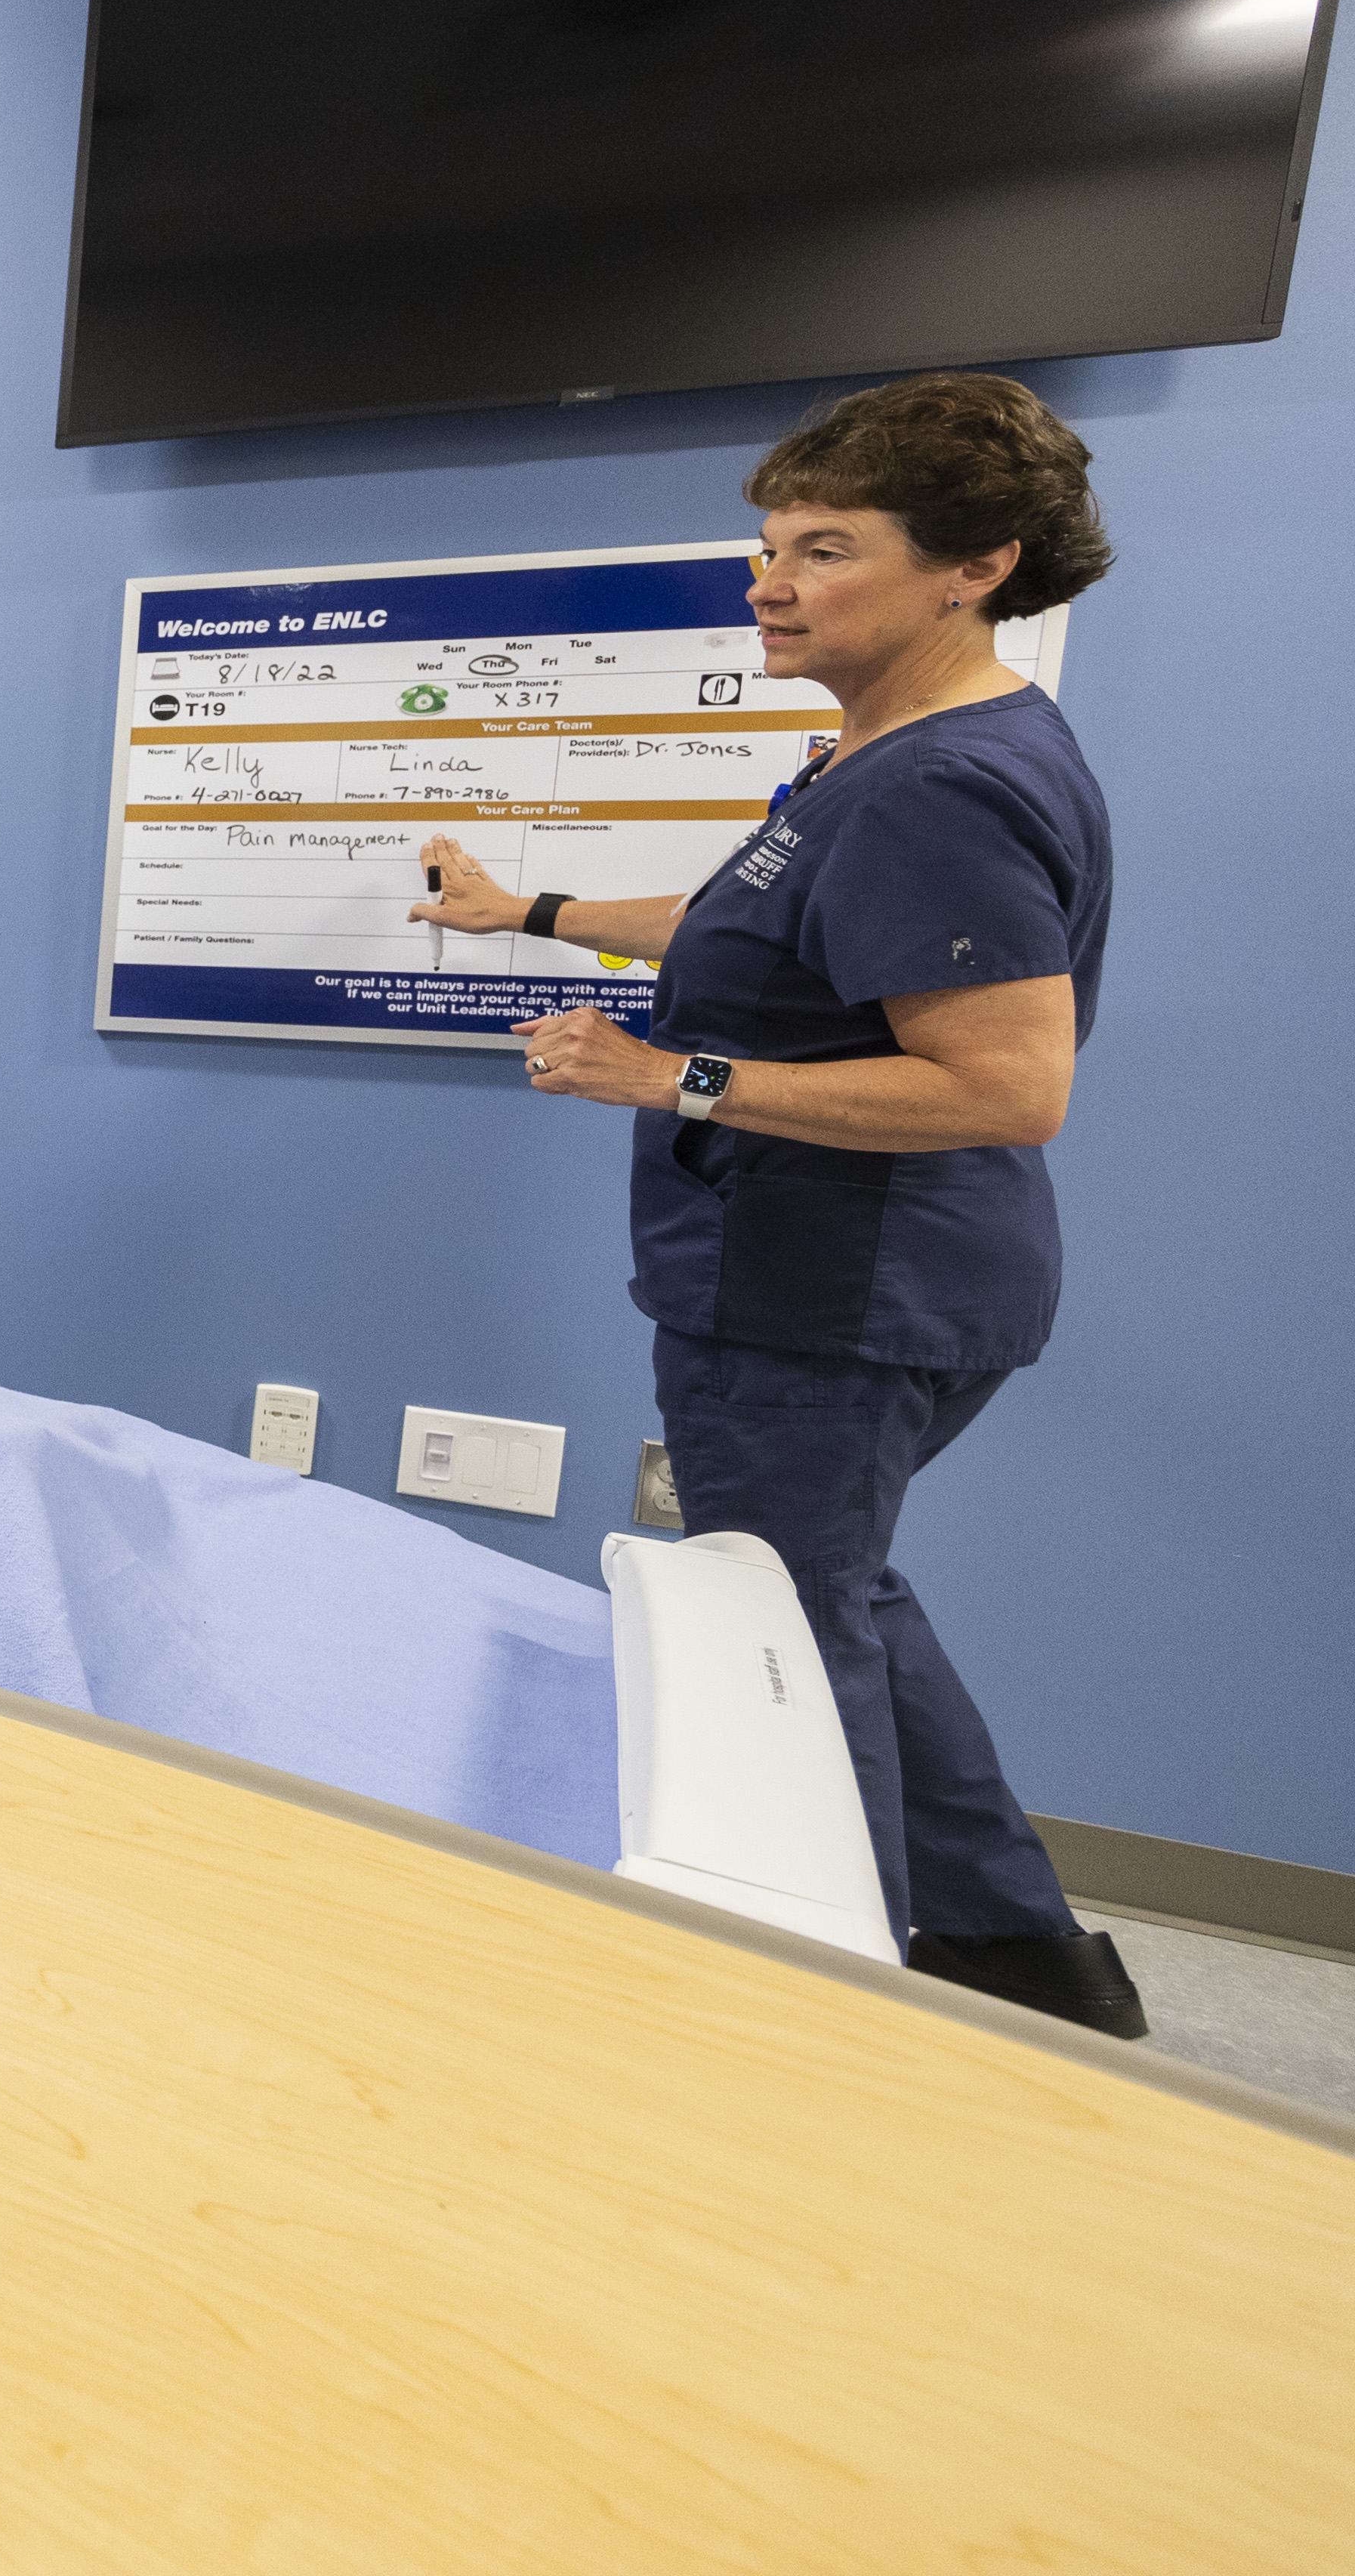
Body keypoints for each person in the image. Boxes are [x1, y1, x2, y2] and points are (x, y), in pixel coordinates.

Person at [410, 372, 1140, 2038]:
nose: (774, 579)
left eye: (827, 547)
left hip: (829, 1289)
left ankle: (838, 2011)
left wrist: (674, 1079)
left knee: (786, 1634)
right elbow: (758, 929)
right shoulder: (883, 752)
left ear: (975, 564)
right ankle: (1016, 1948)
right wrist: (528, 909)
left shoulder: (934, 783)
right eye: (768, 545)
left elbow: (1010, 1084)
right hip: (863, 1282)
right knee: (843, 1592)